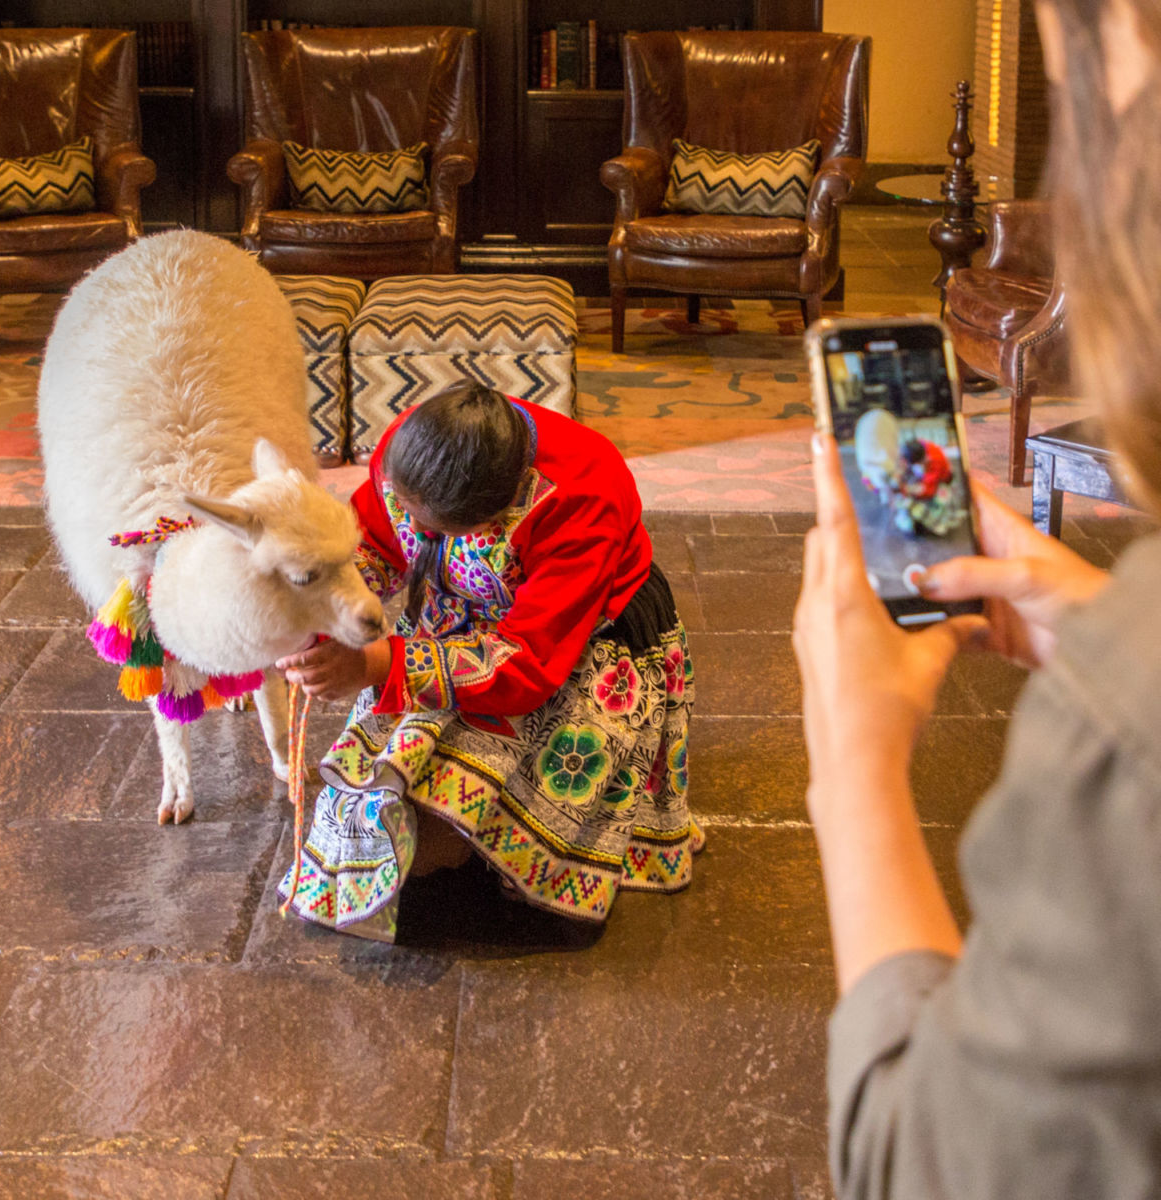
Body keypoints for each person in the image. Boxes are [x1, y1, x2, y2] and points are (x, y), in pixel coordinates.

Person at [793, 0, 1161, 1195]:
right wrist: (1109, 632)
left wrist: (850, 765)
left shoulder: (1126, 742)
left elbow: (935, 1161)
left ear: (1126, 67)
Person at [275, 380, 702, 941]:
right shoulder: (417, 444)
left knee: (455, 833)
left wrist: (378, 666)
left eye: (441, 532)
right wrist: (315, 611)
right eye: (407, 509)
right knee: (383, 820)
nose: (416, 533)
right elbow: (373, 544)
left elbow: (526, 664)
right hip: (456, 626)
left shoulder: (584, 494)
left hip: (576, 641)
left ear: (496, 515)